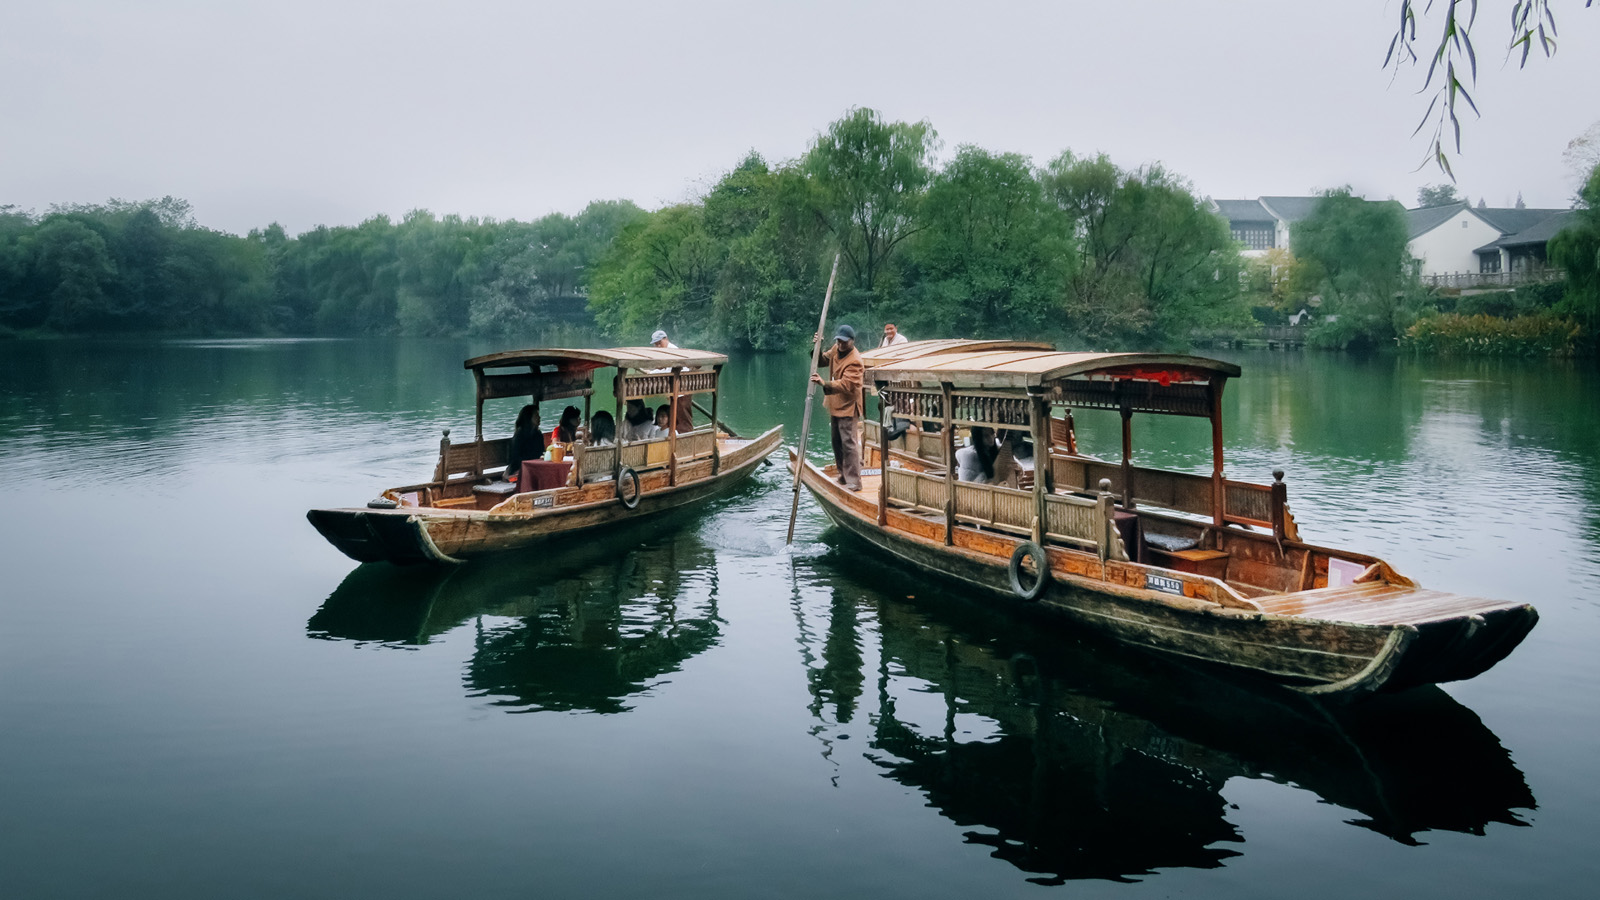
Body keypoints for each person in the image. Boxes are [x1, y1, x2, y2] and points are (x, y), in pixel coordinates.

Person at [811, 324, 865, 491]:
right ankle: (843, 475)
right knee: (836, 442)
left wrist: (824, 383)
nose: (841, 345)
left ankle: (854, 481)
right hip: (835, 403)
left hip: (848, 405)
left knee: (848, 443)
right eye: (839, 341)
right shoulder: (836, 348)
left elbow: (846, 384)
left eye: (844, 342)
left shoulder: (855, 360)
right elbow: (822, 361)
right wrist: (817, 347)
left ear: (852, 341)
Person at [505, 404, 546, 483]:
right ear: (529, 417)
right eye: (536, 416)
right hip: (520, 468)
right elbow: (515, 458)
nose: (539, 418)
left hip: (534, 466)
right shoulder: (519, 434)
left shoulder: (538, 434)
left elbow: (541, 451)